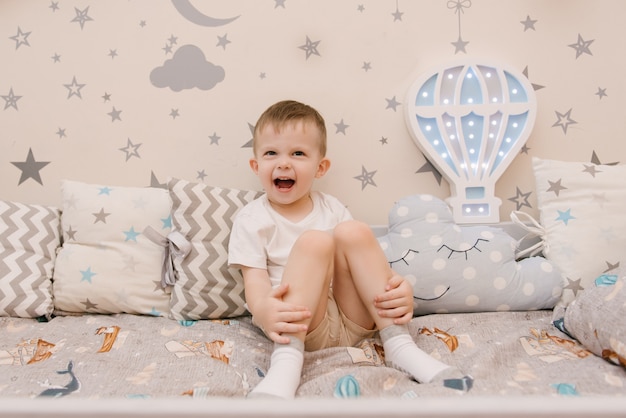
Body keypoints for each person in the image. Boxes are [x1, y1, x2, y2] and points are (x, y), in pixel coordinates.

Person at [228, 100, 471, 399]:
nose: (284, 163)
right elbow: (255, 284)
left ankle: (399, 345)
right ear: (256, 166)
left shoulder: (332, 208)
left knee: (353, 231)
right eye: (271, 153)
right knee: (314, 241)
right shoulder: (252, 219)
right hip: (301, 323)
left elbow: (364, 264)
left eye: (298, 153)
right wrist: (265, 311)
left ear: (321, 167)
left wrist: (398, 289)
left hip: (354, 319)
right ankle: (287, 360)